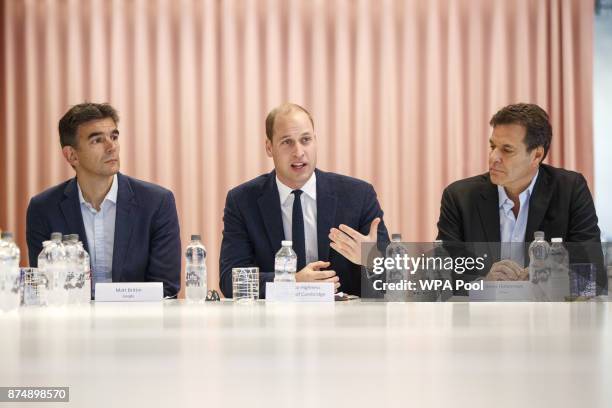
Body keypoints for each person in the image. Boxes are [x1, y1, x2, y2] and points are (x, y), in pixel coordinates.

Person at [220, 102, 389, 297]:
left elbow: (396, 280)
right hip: (272, 323)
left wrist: (371, 259)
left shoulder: (358, 195)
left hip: (344, 322)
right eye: (287, 142)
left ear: (315, 141)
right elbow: (230, 280)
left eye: (306, 140)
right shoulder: (242, 201)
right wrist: (291, 283)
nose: (298, 152)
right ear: (269, 147)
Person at [436, 103, 606, 293]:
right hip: (481, 316)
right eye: (493, 146)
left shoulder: (570, 190)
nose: (493, 157)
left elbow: (593, 277)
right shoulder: (459, 197)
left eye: (507, 150)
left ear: (537, 155)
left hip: (547, 317)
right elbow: (441, 278)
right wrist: (484, 283)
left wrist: (547, 279)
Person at [26, 102, 181, 298]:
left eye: (114, 137)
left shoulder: (157, 203)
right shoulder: (43, 208)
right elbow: (44, 286)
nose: (111, 147)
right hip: (72, 323)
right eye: (97, 140)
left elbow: (165, 288)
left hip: (139, 322)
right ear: (71, 155)